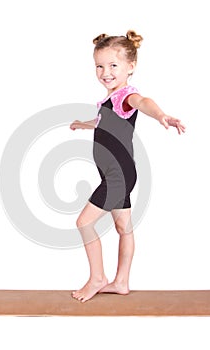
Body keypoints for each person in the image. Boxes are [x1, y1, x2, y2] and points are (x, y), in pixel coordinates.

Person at [69, 30, 185, 303]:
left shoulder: (126, 95)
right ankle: (121, 281)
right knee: (124, 228)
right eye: (99, 66)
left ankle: (98, 277)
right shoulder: (110, 100)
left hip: (117, 176)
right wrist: (84, 124)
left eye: (113, 65)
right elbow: (104, 123)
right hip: (120, 173)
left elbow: (143, 102)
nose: (105, 72)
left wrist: (161, 115)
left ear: (130, 67)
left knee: (84, 222)